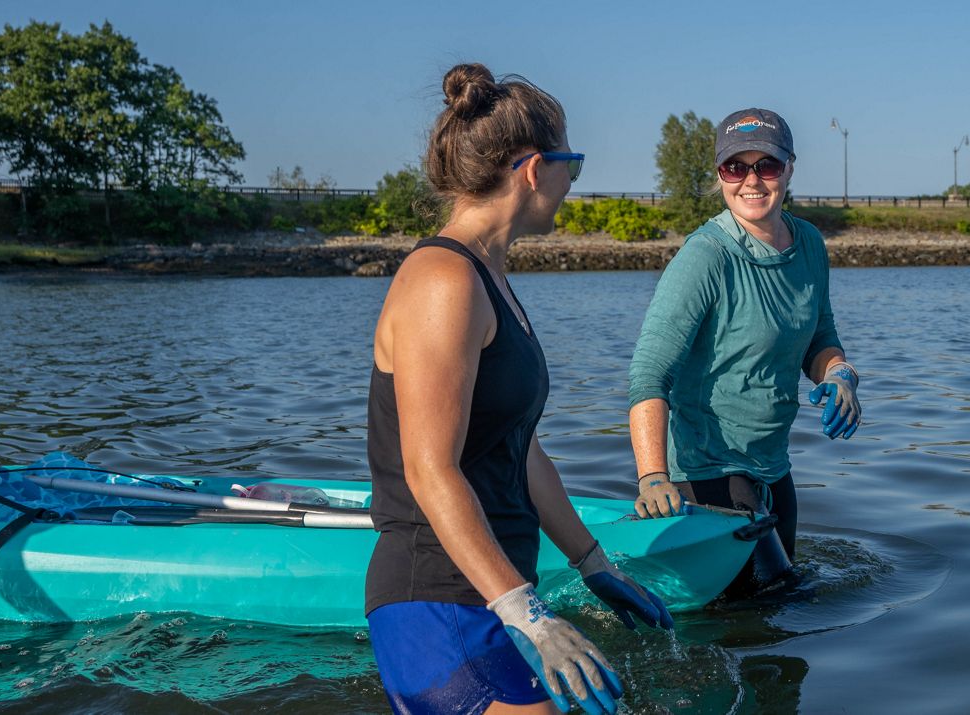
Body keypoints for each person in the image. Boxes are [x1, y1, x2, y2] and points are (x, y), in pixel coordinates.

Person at [365, 63, 672, 715]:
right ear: (535, 169)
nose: (571, 187)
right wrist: (527, 612)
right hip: (438, 599)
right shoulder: (442, 280)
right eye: (573, 166)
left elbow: (522, 452)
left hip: (488, 592)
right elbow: (428, 469)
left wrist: (594, 563)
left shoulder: (490, 281)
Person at [628, 107, 862, 595]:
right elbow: (650, 374)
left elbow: (820, 337)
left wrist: (839, 375)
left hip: (774, 468)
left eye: (766, 166)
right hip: (707, 473)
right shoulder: (705, 258)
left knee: (776, 616)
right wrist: (652, 476)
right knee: (763, 606)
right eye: (736, 167)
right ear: (719, 176)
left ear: (789, 169)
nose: (751, 181)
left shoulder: (811, 245)